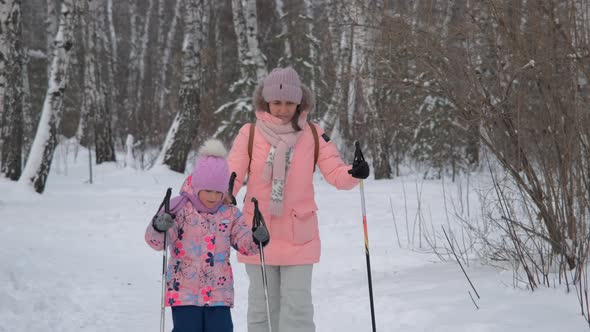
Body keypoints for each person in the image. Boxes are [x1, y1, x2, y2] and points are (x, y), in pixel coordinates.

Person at [226, 67, 370, 332]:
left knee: (298, 309)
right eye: (277, 102)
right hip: (258, 234)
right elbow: (231, 176)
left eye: (289, 103)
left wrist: (354, 173)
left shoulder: (313, 134)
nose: (282, 109)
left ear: (299, 102)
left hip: (299, 234)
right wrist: (223, 196)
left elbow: (336, 174)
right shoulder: (250, 133)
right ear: (265, 101)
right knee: (262, 309)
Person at [145, 139, 269, 332]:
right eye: (208, 191)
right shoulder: (179, 209)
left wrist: (256, 238)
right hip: (184, 292)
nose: (213, 197)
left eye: (218, 192)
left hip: (219, 294)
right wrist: (159, 226)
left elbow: (244, 242)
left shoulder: (229, 213)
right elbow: (157, 242)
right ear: (197, 187)